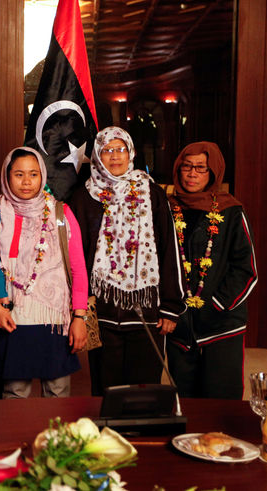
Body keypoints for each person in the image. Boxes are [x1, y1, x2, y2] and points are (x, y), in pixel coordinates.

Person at [68, 126, 184, 395]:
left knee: (145, 391)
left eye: (120, 149)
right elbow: (76, 258)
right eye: (107, 150)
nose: (115, 156)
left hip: (147, 314)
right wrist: (79, 311)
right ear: (97, 155)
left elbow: (169, 249)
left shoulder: (152, 193)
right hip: (101, 312)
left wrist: (170, 307)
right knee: (105, 390)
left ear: (130, 152)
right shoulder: (83, 198)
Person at [0, 147, 88, 398]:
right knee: (14, 392)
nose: (27, 181)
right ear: (7, 177)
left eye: (33, 174)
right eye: (19, 174)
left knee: (58, 392)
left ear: (42, 176)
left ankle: (56, 439)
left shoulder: (61, 213)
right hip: (13, 316)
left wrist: (80, 317)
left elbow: (78, 267)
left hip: (54, 319)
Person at [166, 142, 257, 399]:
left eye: (201, 168)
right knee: (186, 399)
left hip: (221, 321)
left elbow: (246, 269)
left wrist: (216, 305)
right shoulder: (166, 209)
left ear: (213, 173)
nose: (192, 174)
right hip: (181, 324)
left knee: (221, 399)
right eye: (187, 167)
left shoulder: (231, 211)